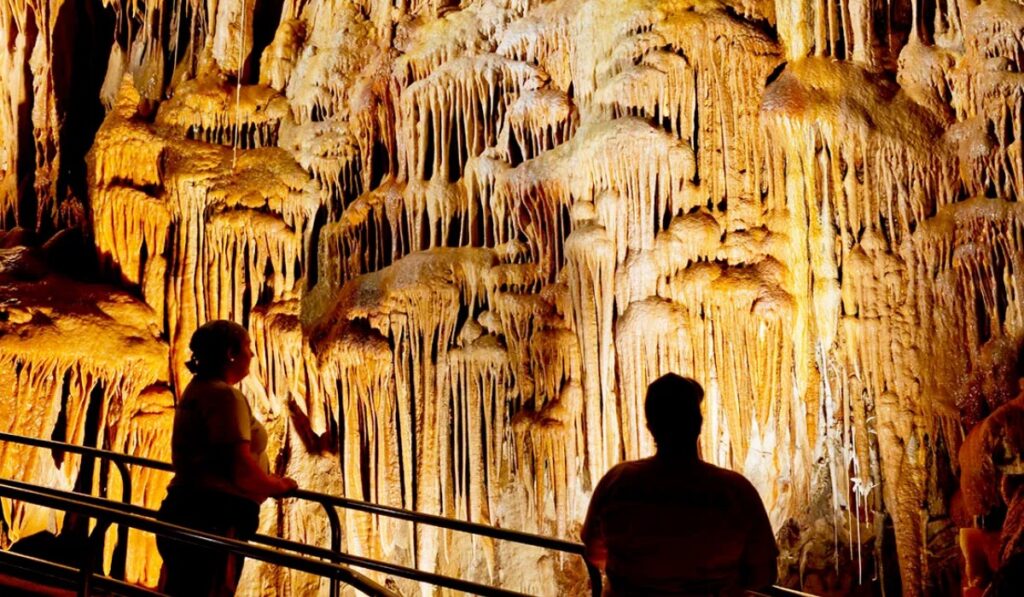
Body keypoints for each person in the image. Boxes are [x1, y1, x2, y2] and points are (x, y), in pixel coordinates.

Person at [581, 374, 778, 596]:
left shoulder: (617, 482)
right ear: (698, 424)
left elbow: (594, 551)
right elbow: (763, 573)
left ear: (650, 426)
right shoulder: (736, 491)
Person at [157, 320, 297, 596]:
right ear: (230, 353)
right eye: (247, 347)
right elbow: (240, 468)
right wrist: (277, 485)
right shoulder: (224, 397)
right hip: (214, 518)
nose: (253, 355)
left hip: (187, 509)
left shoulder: (198, 389)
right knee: (211, 590)